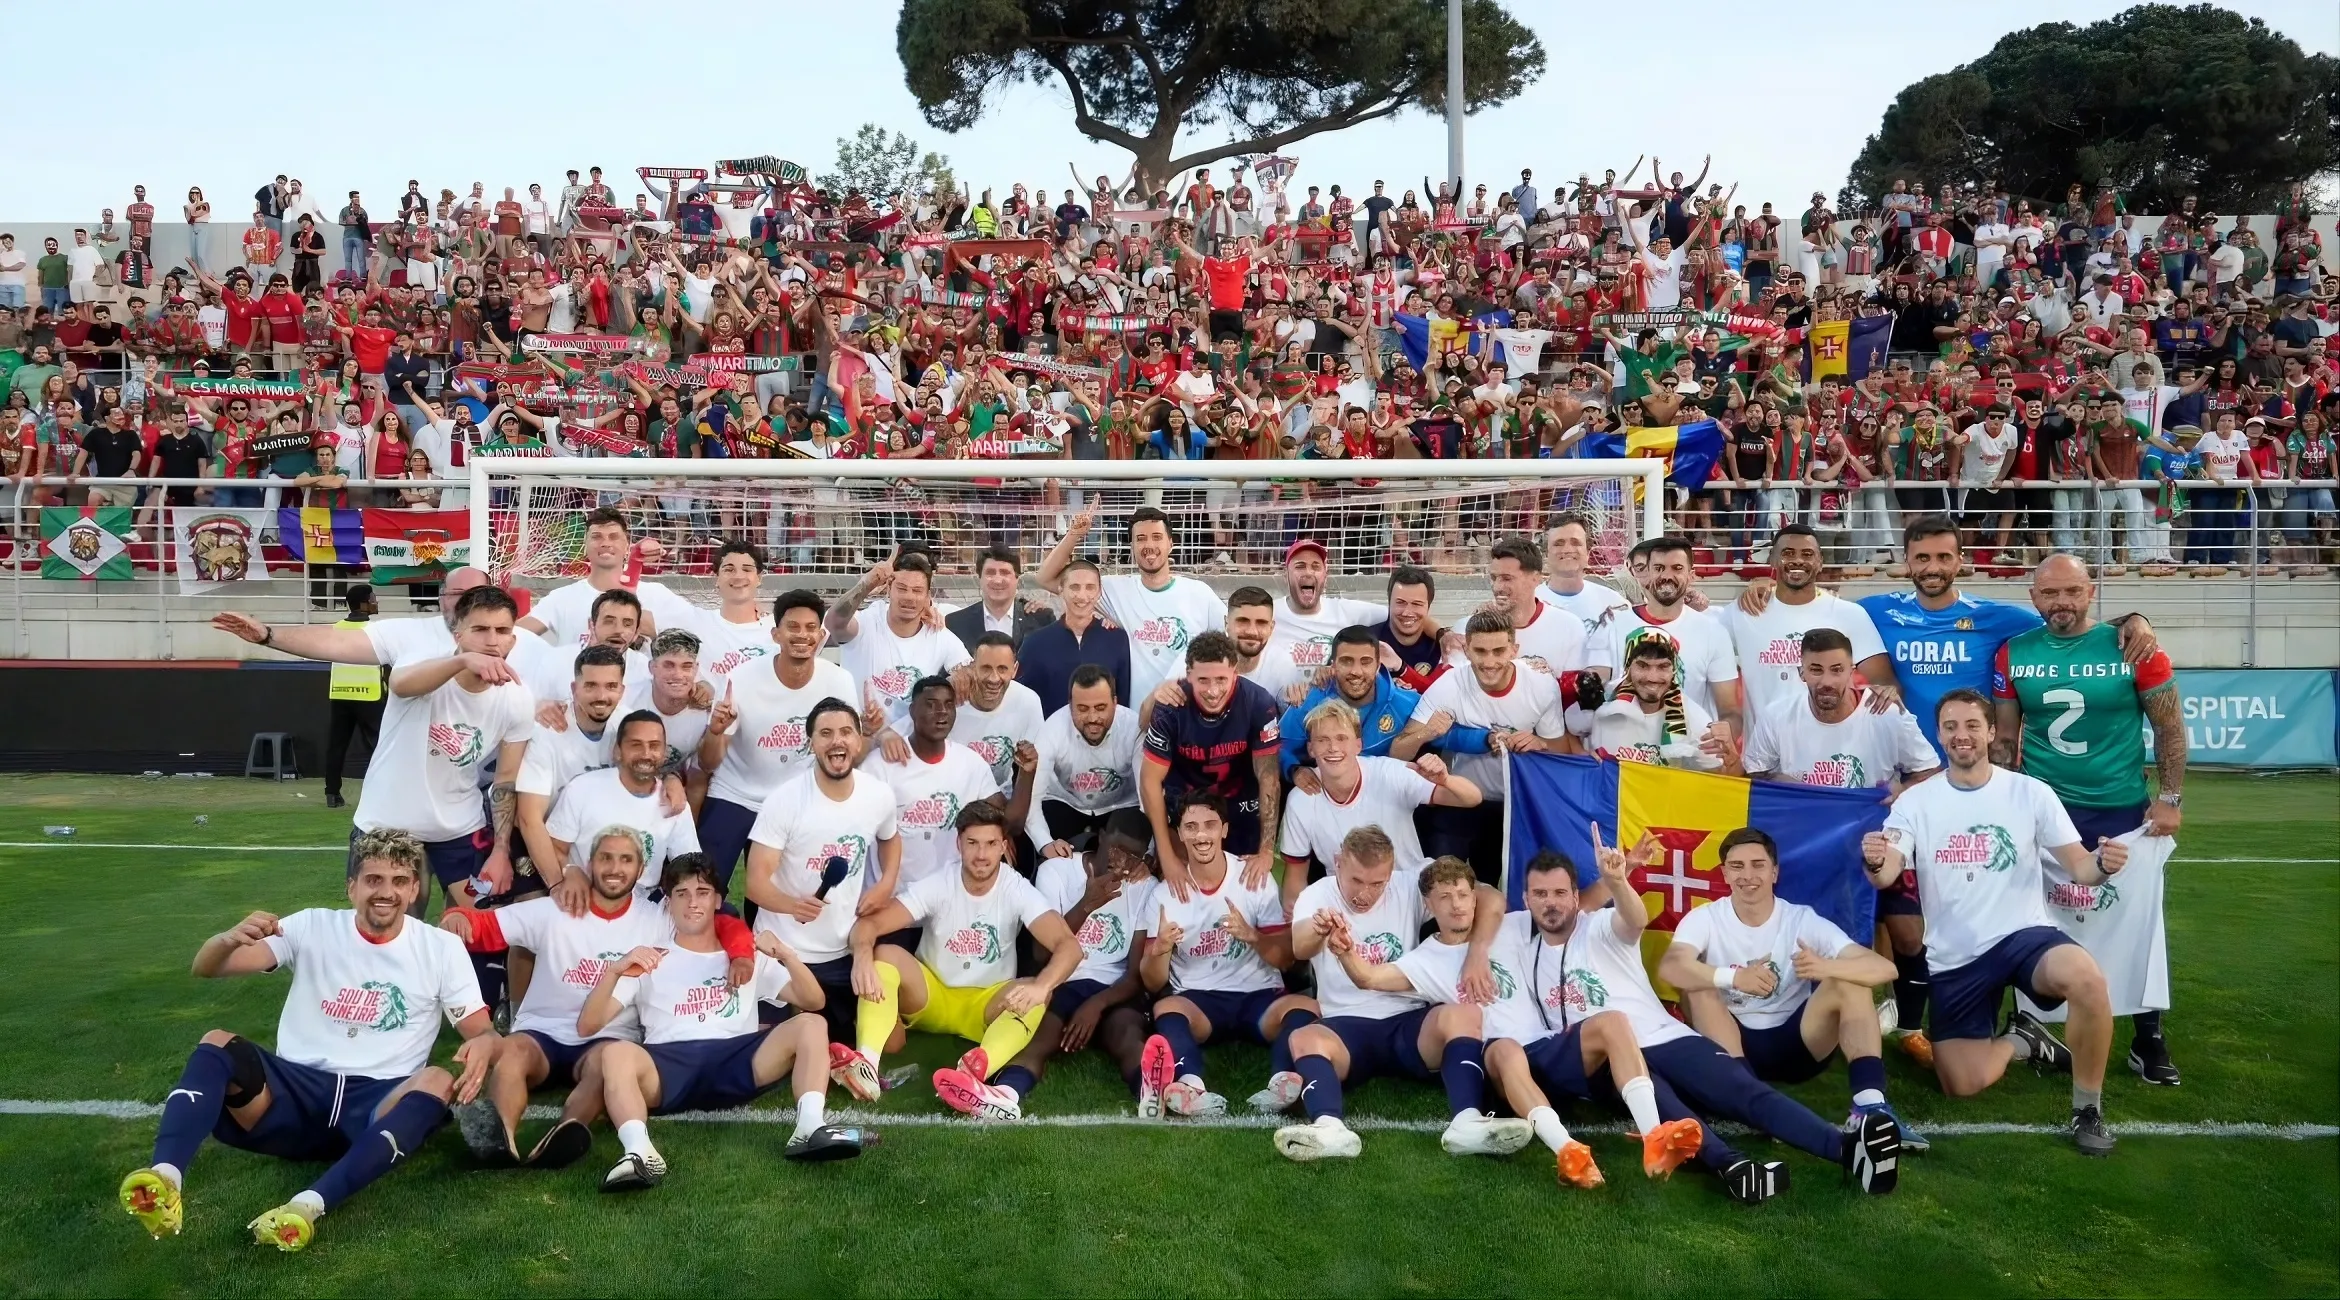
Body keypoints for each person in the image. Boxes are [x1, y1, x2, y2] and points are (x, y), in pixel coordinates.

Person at [116, 830, 496, 1252]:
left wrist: (484, 1043)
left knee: (438, 1079)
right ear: (351, 887)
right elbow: (208, 968)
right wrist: (226, 939)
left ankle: (307, 1207)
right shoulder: (313, 925)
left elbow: (482, 1031)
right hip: (290, 1098)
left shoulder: (440, 948)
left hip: (374, 1105)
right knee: (217, 1042)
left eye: (398, 881)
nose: (385, 892)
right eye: (373, 880)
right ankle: (166, 1180)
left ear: (413, 890)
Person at [1518, 840, 1902, 1202]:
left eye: (1559, 893)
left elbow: (1634, 917)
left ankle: (1848, 1152)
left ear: (1576, 897)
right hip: (1607, 1058)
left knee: (1744, 1091)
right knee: (1670, 1111)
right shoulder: (1519, 941)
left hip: (1664, 1037)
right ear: (1525, 899)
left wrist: (1617, 881)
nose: (1550, 904)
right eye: (1540, 894)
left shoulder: (1600, 925)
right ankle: (1732, 1167)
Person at [1867, 689, 2129, 1155]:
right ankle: (2023, 1040)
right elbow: (1889, 868)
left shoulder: (2030, 792)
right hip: (1955, 956)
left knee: (2087, 980)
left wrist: (2103, 864)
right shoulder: (1916, 802)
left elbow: (2081, 870)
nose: (1961, 735)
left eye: (1971, 725)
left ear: (1991, 732)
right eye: (1950, 727)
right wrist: (1874, 860)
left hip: (2022, 937)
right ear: (1940, 735)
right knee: (1961, 1084)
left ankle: (2087, 1109)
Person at [437, 827, 754, 1168]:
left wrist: (741, 954)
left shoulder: (657, 918)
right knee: (513, 1051)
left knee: (608, 1063)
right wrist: (453, 916)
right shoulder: (553, 909)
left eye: (625, 859)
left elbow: (721, 922)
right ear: (588, 864)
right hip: (542, 1032)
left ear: (641, 868)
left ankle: (564, 1133)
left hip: (608, 1035)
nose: (615, 868)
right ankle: (500, 1140)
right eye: (605, 858)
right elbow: (484, 927)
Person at [1992, 553, 2186, 1086]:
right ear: (2033, 598)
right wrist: (1999, 799)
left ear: (2092, 591)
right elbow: (2006, 738)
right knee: (2034, 917)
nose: (2062, 603)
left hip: (2120, 806)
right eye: (2050, 594)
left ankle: (2147, 1037)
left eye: (2072, 592)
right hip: (2045, 810)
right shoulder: (2014, 653)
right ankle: (2033, 1023)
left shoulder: (2133, 646)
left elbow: (2170, 726)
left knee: (2137, 920)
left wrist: (2170, 796)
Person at [580, 854, 865, 1190]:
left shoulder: (746, 955)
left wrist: (786, 954)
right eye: (682, 894)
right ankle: (640, 1154)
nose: (693, 902)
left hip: (738, 1061)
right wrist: (615, 971)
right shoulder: (650, 958)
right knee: (614, 1053)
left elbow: (814, 1001)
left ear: (717, 900)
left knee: (812, 1025)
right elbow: (588, 1026)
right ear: (669, 903)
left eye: (702, 892)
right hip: (670, 1066)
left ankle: (809, 1127)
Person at [1275, 827, 1529, 1161]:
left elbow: (1491, 898)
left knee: (1464, 1013)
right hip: (1346, 1025)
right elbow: (1299, 948)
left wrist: (1477, 951)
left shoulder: (1410, 884)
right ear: (1338, 863)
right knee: (1303, 1038)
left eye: (1377, 883)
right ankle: (1329, 1129)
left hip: (1408, 1021)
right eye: (1356, 881)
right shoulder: (1318, 894)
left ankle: (1468, 1123)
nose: (1365, 893)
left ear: (1391, 870)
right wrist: (1320, 929)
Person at [1660, 829, 1919, 1145]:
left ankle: (1871, 1106)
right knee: (1696, 985)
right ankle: (1748, 1097)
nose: (1748, 875)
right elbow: (1671, 967)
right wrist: (1733, 978)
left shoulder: (1800, 919)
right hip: (1731, 1045)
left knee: (1850, 981)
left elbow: (1885, 968)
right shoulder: (1705, 918)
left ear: (1774, 872)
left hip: (1798, 1044)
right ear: (1724, 873)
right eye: (1737, 866)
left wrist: (1827, 968)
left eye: (1758, 864)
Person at [846, 802, 1086, 1120]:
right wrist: (862, 957)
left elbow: (1069, 947)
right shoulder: (939, 882)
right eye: (972, 843)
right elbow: (869, 925)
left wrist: (1042, 986)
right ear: (959, 843)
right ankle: (866, 1063)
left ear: (1004, 846)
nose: (981, 855)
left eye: (990, 844)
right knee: (884, 956)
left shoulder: (1017, 888)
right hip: (931, 997)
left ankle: (977, 1069)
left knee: (1035, 993)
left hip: (985, 1005)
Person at [351, 585, 533, 909]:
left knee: (478, 926)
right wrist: (462, 662)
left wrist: (501, 850)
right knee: (391, 929)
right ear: (457, 635)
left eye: (502, 630)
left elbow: (505, 780)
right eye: (480, 629)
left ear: (513, 640)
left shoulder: (516, 698)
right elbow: (400, 684)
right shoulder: (428, 667)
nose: (492, 640)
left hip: (458, 828)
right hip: (388, 825)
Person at [1133, 792, 1313, 1118]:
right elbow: (1152, 980)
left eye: (1209, 825)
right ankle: (1190, 1086)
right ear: (1180, 833)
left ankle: (1282, 1082)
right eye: (1191, 827)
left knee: (1305, 1007)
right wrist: (1159, 950)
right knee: (1166, 1007)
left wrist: (1252, 936)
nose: (1201, 835)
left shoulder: (1253, 879)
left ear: (1224, 830)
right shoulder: (1163, 894)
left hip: (1258, 994)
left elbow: (1284, 959)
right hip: (1199, 999)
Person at [744, 697, 906, 1052]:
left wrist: (886, 883)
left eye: (847, 732)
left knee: (893, 1042)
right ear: (812, 743)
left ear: (859, 740)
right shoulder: (784, 801)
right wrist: (791, 906)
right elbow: (755, 882)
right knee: (787, 1043)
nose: (838, 741)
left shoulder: (877, 795)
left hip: (840, 950)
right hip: (785, 952)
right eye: (826, 733)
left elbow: (890, 840)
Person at [696, 591, 858, 895]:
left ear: (821, 635)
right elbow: (708, 762)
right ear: (775, 634)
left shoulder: (839, 681)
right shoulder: (741, 678)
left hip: (797, 799)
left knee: (778, 898)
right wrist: (715, 732)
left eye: (811, 628)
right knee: (703, 886)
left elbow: (849, 754)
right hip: (736, 793)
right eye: (793, 627)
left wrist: (874, 732)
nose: (802, 635)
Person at [1393, 609, 1565, 881]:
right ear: (1467, 650)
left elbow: (1561, 751)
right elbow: (1398, 751)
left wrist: (1540, 742)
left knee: (1501, 885)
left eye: (1499, 651)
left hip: (1513, 805)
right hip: (1458, 799)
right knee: (1441, 880)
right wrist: (1425, 733)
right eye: (1480, 651)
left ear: (1514, 650)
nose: (1489, 661)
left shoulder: (1541, 686)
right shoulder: (1450, 684)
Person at [1016, 809, 1159, 1105]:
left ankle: (1152, 1096)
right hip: (1064, 979)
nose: (1121, 862)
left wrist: (1096, 1005)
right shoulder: (1056, 872)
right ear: (1102, 836)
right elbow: (1041, 954)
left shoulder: (1146, 887)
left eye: (1133, 857)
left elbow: (1135, 975)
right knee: (1040, 1037)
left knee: (1128, 1035)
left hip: (1113, 988)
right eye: (1117, 849)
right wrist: (1086, 904)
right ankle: (1005, 1094)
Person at [1280, 698, 1479, 908]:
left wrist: (1445, 780)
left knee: (1491, 900)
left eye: (1341, 738)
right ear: (1310, 749)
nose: (1333, 747)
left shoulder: (1390, 773)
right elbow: (1295, 879)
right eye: (1323, 740)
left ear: (1358, 745)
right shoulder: (1300, 799)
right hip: (1349, 905)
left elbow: (1471, 798)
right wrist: (1297, 926)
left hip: (1410, 895)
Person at [1138, 631, 1284, 893]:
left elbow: (1269, 778)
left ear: (1235, 672)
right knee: (1183, 886)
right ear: (1188, 674)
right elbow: (1149, 780)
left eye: (1221, 679)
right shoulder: (1171, 706)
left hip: (1239, 806)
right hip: (1185, 806)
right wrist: (1168, 855)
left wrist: (1266, 850)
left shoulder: (1258, 703)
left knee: (1245, 885)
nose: (1213, 691)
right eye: (1203, 680)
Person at [1037, 504, 1226, 703]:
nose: (1149, 545)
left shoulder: (1200, 594)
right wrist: (1074, 534)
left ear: (1170, 543)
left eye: (1157, 537)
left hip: (1187, 719)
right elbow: (1045, 579)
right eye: (1140, 539)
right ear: (1132, 546)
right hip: (1136, 724)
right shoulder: (1116, 590)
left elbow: (1230, 646)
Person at [1716, 526, 1893, 720]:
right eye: (1788, 553)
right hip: (1763, 747)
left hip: (1829, 745)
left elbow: (1885, 684)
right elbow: (1698, 637)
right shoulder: (1742, 612)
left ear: (1820, 562)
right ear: (1773, 560)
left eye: (1807, 554)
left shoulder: (1849, 614)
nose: (1798, 560)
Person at [1732, 628, 1940, 792]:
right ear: (1801, 673)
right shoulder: (1776, 715)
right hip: (1803, 831)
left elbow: (1930, 772)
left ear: (1851, 671)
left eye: (1837, 670)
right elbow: (1755, 776)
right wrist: (1783, 783)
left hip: (1872, 835)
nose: (1827, 681)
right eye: (1816, 670)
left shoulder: (1887, 713)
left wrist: (1902, 791)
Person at [865, 675, 1023, 888]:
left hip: (948, 901)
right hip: (892, 901)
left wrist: (1027, 774)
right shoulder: (879, 764)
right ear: (912, 711)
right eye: (931, 705)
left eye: (949, 705)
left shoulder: (971, 764)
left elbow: (1011, 823)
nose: (941, 713)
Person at [1585, 536, 1742, 733]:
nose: (1667, 575)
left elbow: (1730, 711)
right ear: (1648, 573)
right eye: (1659, 568)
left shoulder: (1713, 633)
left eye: (1677, 568)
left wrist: (1724, 733)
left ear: (1691, 576)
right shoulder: (1613, 623)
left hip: (1684, 754)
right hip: (1623, 752)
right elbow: (1594, 680)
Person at [542, 712, 701, 899]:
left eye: (654, 746)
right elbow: (555, 847)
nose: (646, 754)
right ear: (617, 751)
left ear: (664, 753)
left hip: (643, 905)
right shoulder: (583, 788)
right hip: (586, 897)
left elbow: (689, 865)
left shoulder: (674, 802)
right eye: (636, 745)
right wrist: (569, 872)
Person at [825, 552, 973, 725]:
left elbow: (969, 671)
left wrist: (956, 680)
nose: (909, 597)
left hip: (911, 745)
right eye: (902, 588)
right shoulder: (867, 622)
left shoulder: (937, 633)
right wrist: (866, 584)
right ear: (889, 588)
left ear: (927, 596)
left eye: (917, 591)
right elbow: (834, 624)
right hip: (859, 740)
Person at [517, 508, 693, 649]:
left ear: (627, 545)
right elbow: (516, 634)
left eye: (614, 537)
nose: (605, 543)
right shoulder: (561, 598)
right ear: (585, 546)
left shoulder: (657, 594)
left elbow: (699, 633)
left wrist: (652, 627)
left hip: (639, 691)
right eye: (596, 537)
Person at [1277, 625, 1421, 778]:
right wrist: (1295, 771)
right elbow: (1278, 748)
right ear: (1333, 665)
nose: (1356, 671)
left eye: (1365, 662)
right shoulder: (1309, 701)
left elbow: (1446, 734)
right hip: (1327, 793)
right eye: (1346, 661)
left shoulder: (1406, 703)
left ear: (1378, 666)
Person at [1031, 665, 1144, 857]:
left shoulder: (1134, 728)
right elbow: (1032, 797)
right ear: (1070, 705)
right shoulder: (1052, 729)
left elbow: (1147, 793)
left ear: (1115, 702)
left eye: (1101, 708)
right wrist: (1045, 843)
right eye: (1082, 709)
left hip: (1122, 806)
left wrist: (1152, 851)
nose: (1092, 718)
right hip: (1066, 804)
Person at [1571, 634, 1727, 769]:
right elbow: (1566, 732)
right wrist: (1583, 755)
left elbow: (1717, 771)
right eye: (1642, 666)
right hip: (1610, 799)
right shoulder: (1603, 703)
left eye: (1663, 666)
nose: (1652, 677)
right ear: (1628, 668)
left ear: (1674, 670)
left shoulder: (1694, 717)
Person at [1016, 557, 1133, 715]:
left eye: (1090, 588)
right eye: (1074, 587)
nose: (1082, 596)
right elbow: (1022, 699)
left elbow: (1123, 699)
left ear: (1099, 592)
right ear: (1061, 590)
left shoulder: (1117, 640)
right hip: (1051, 736)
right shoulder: (1035, 643)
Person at [944, 632, 1048, 797]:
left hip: (1001, 800)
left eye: (1002, 669)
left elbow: (1038, 764)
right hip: (954, 797)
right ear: (973, 666)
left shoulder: (1028, 701)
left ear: (1014, 670)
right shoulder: (949, 699)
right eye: (985, 668)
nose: (994, 678)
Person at [322, 584, 386, 811]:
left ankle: (331, 793)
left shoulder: (336, 628)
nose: (376, 601)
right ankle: (383, 793)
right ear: (363, 603)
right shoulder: (375, 629)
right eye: (373, 598)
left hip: (339, 693)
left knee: (336, 745)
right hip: (369, 694)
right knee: (380, 747)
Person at [944, 547, 1056, 650]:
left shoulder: (1042, 620)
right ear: (979, 578)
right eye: (990, 573)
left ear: (1017, 579)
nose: (997, 580)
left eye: (1005, 573)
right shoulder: (955, 623)